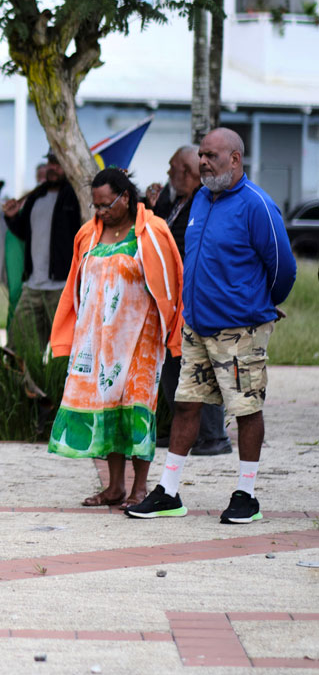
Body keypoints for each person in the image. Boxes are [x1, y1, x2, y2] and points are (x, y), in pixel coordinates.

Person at [127, 128, 296, 524]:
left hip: (240, 328)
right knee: (186, 404)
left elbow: (284, 269)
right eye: (201, 155)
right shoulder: (200, 199)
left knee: (246, 408)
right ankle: (168, 492)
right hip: (196, 326)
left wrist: (260, 305)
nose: (203, 162)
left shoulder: (257, 205)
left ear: (235, 159)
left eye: (211, 156)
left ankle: (246, 495)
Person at [47, 167, 183, 510]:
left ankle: (139, 489)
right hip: (96, 340)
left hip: (140, 337)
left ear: (125, 197)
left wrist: (175, 333)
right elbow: (74, 286)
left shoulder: (152, 232)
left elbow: (171, 285)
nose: (101, 212)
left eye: (107, 205)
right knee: (107, 406)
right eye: (96, 206)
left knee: (136, 407)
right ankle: (114, 487)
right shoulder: (88, 235)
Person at [154, 146, 231, 455]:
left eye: (172, 169)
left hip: (199, 298)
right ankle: (185, 433)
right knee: (172, 366)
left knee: (200, 367)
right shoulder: (178, 200)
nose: (168, 176)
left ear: (186, 171)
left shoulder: (207, 200)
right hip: (172, 299)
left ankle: (213, 437)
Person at [3, 151, 82, 355]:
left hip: (62, 288)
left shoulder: (75, 198)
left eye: (58, 163)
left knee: (62, 350)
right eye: (49, 163)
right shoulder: (35, 197)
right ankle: (24, 385)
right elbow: (23, 232)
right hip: (33, 286)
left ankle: (55, 386)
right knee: (19, 345)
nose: (52, 168)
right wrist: (11, 218)